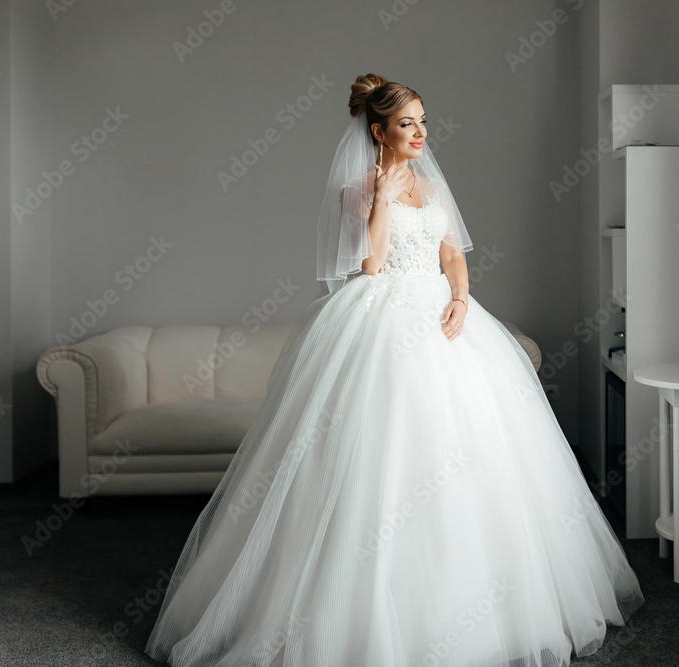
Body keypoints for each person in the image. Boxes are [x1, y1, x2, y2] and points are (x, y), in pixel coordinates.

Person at [144, 73, 644, 666]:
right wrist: (382, 197)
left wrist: (459, 297)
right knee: (369, 458)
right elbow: (373, 263)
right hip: (380, 319)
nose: (420, 132)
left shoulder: (432, 186)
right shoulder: (356, 189)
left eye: (423, 121)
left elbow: (452, 251)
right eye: (407, 123)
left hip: (442, 315)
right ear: (378, 130)